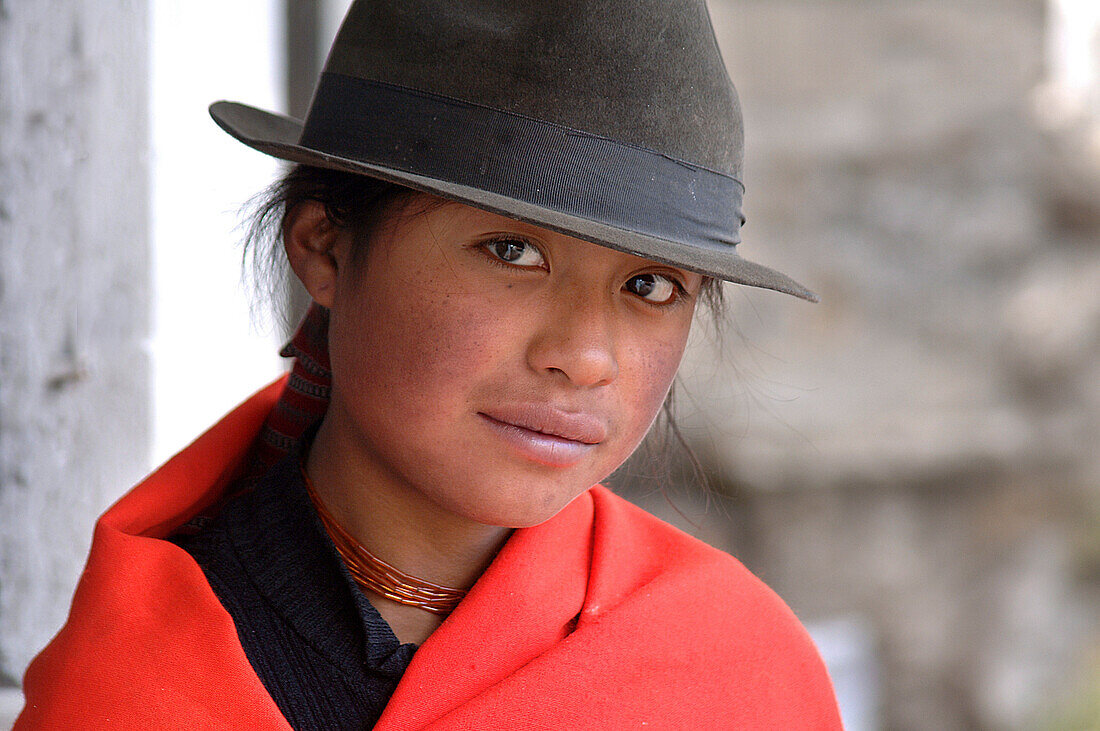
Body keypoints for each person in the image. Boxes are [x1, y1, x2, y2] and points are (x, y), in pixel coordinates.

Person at [17, 1, 841, 728]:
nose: (586, 357)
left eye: (650, 285)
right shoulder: (134, 686)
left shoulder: (736, 673)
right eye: (511, 250)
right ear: (323, 247)